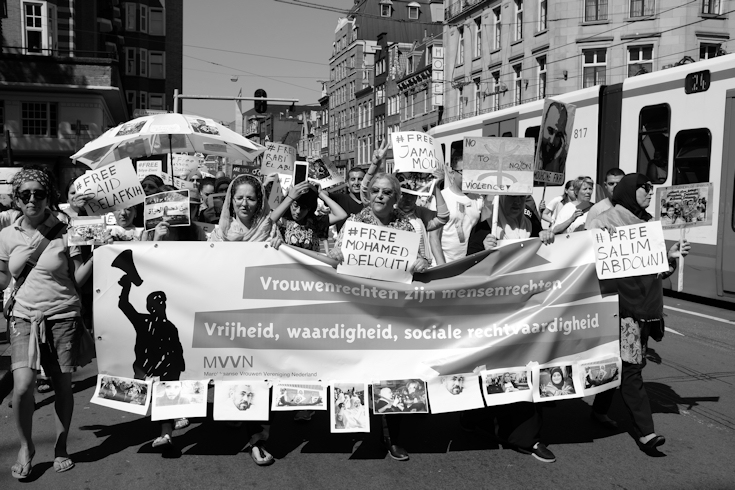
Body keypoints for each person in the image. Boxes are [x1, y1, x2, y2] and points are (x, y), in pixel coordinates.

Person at [0, 167, 96, 478]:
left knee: (62, 385)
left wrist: (98, 254)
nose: (32, 199)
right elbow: (3, 278)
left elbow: (78, 278)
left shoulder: (67, 230)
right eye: (25, 194)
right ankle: (26, 446)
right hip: (23, 316)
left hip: (63, 315)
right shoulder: (6, 235)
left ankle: (61, 446)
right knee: (22, 387)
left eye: (39, 194)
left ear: (48, 197)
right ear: (16, 199)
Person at [588, 173, 690, 454]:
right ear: (629, 191)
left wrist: (670, 257)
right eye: (644, 188)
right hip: (619, 309)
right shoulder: (603, 222)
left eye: (650, 188)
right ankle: (646, 432)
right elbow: (587, 267)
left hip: (645, 309)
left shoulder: (648, 223)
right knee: (631, 369)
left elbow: (657, 272)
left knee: (622, 365)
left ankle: (599, 410)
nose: (650, 192)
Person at [462, 193, 557, 463]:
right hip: (495, 317)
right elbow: (469, 271)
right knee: (493, 371)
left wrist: (547, 237)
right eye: (510, 198)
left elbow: (550, 259)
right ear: (499, 200)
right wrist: (482, 251)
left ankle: (525, 436)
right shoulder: (485, 229)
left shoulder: (530, 224)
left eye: (521, 198)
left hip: (527, 315)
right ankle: (477, 418)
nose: (516, 203)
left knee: (527, 370)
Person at [207, 174, 277, 465]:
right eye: (239, 198)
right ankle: (236, 412)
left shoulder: (270, 230)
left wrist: (278, 247)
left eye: (251, 198)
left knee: (258, 375)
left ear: (259, 201)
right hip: (229, 315)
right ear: (231, 201)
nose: (245, 203)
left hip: (260, 315)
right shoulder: (219, 234)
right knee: (234, 371)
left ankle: (257, 438)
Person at [430, 151, 487, 264]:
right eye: (463, 172)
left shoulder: (478, 199)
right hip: (444, 264)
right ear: (452, 173)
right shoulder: (441, 197)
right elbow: (433, 237)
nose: (468, 176)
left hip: (467, 264)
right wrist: (442, 266)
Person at [269, 179, 346, 252]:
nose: (298, 211)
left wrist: (320, 193)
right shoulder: (282, 221)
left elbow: (341, 215)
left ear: (309, 209)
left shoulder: (315, 222)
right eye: (295, 205)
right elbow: (269, 221)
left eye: (303, 208)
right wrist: (290, 197)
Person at [329, 167, 367, 232]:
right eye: (353, 179)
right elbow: (323, 194)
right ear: (347, 183)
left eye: (360, 179)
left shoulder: (371, 203)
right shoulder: (340, 198)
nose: (356, 183)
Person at [539, 101, 569, 174]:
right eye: (550, 131)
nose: (552, 141)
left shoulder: (560, 158)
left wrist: (555, 161)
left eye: (558, 135)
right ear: (542, 127)